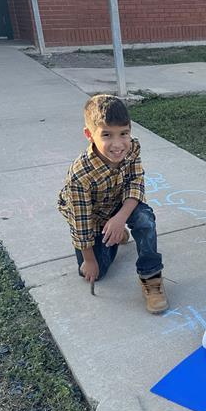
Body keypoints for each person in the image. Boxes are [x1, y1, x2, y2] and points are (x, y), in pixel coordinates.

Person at [57, 94, 168, 313]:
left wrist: (120, 218)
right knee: (94, 273)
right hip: (94, 217)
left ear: (130, 131)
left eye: (123, 133)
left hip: (120, 204)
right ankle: (114, 237)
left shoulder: (133, 148)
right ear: (89, 135)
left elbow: (136, 182)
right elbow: (81, 222)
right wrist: (89, 259)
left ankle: (151, 277)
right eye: (107, 135)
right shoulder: (80, 175)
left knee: (145, 218)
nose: (118, 144)